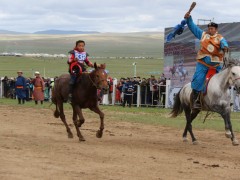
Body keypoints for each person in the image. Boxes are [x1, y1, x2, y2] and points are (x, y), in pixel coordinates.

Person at [184, 12, 229, 110]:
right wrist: (189, 18)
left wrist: (225, 47)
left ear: (216, 29)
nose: (210, 30)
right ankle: (195, 101)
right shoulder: (203, 34)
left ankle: (225, 100)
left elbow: (224, 43)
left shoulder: (220, 38)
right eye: (209, 28)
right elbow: (193, 27)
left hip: (216, 65)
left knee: (222, 81)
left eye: (212, 28)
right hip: (203, 64)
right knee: (198, 80)